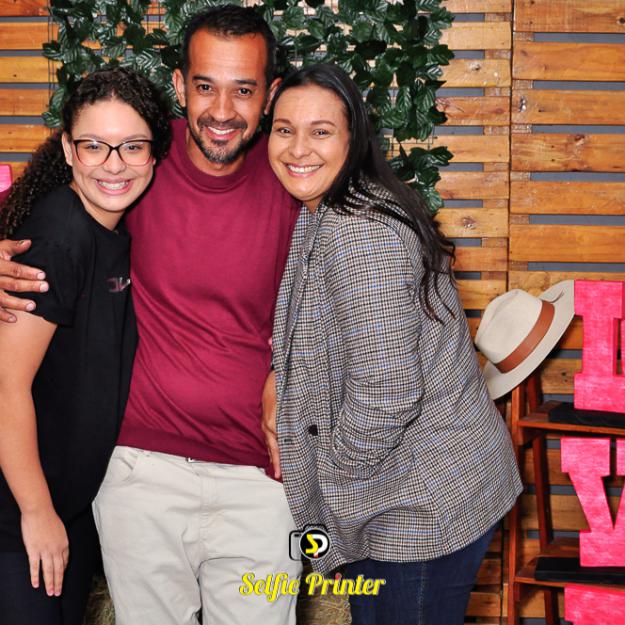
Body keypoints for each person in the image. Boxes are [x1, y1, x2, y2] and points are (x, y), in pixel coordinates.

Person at [0, 6, 301, 625]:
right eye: (205, 86)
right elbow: (51, 203)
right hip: (140, 473)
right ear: (180, 85)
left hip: (262, 483)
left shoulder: (294, 175)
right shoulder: (139, 155)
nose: (222, 111)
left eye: (243, 90)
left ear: (270, 95)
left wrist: (290, 370)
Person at [263, 63, 523, 625]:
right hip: (394, 495)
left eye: (320, 131)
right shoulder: (328, 208)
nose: (297, 148)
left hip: (419, 504)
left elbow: (386, 395)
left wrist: (333, 480)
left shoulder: (360, 233)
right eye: (284, 130)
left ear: (353, 137)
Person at [0, 67, 171, 625]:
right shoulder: (60, 238)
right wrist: (36, 512)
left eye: (132, 146)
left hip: (68, 507)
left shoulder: (115, 225)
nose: (114, 164)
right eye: (95, 145)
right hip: (18, 515)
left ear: (154, 153)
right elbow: (5, 386)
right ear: (69, 150)